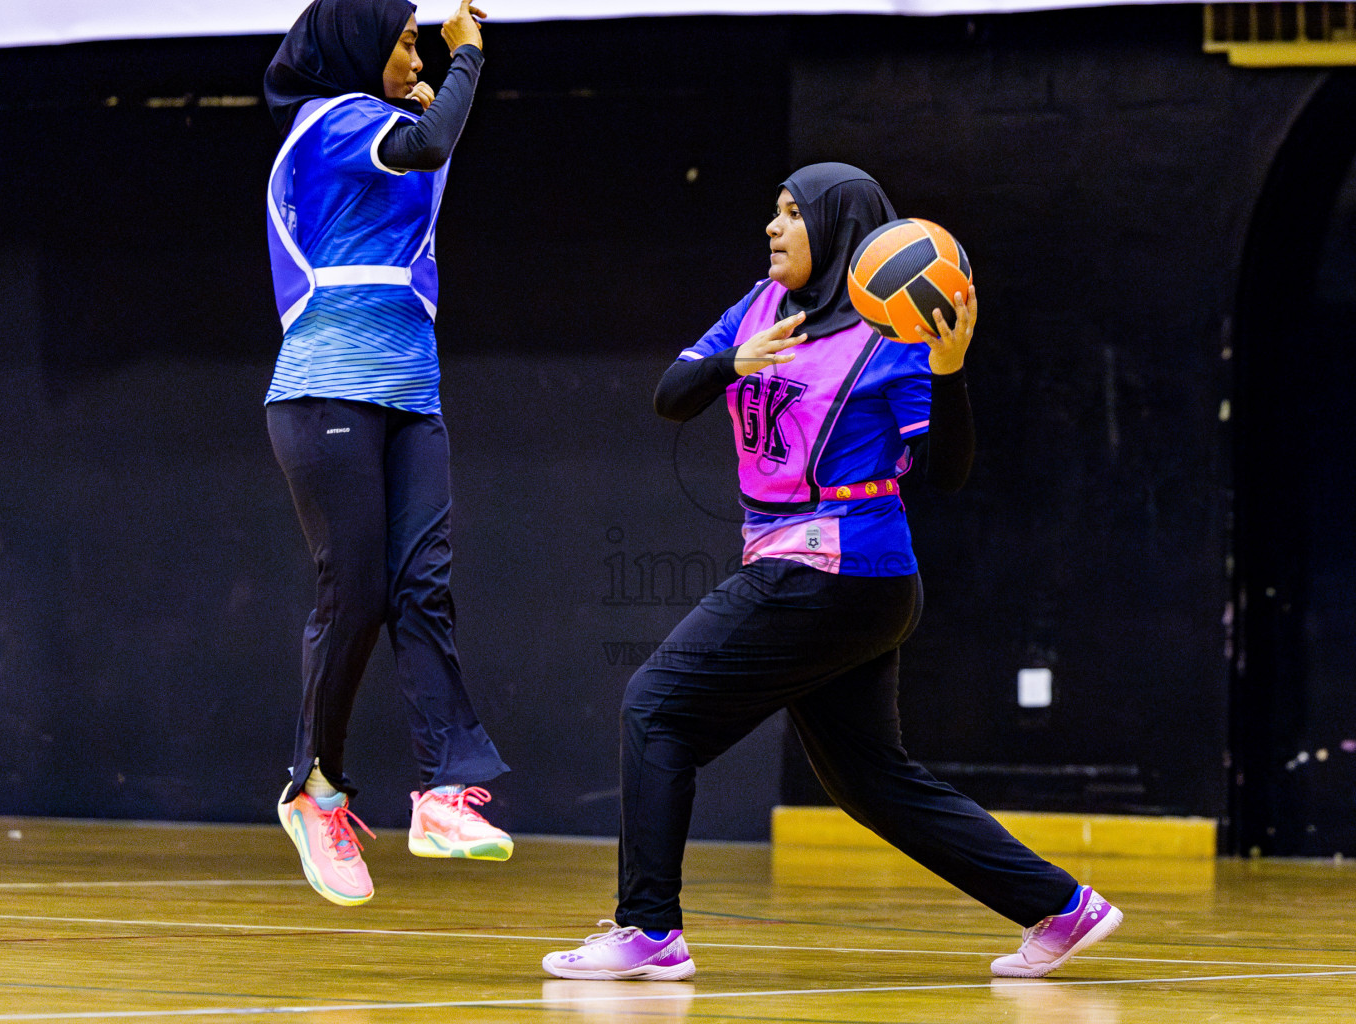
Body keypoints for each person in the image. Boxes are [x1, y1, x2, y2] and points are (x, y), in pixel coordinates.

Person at [542, 163, 1122, 981]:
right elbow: (672, 398)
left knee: (656, 706)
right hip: (832, 575)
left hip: (837, 566)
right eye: (772, 211)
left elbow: (949, 473)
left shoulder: (898, 337)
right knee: (869, 780)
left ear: (841, 228)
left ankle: (649, 930)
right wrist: (731, 363)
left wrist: (952, 371)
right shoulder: (760, 306)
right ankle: (1061, 909)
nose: (773, 228)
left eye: (791, 214)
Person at [261, 0, 511, 907]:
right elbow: (428, 145)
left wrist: (448, 66)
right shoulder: (333, 124)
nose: (417, 53)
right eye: (404, 40)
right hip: (329, 387)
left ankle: (444, 790)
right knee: (355, 591)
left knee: (421, 587)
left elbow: (427, 140)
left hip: (410, 390)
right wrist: (468, 58)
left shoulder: (387, 120)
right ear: (359, 47)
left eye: (420, 40)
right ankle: (312, 788)